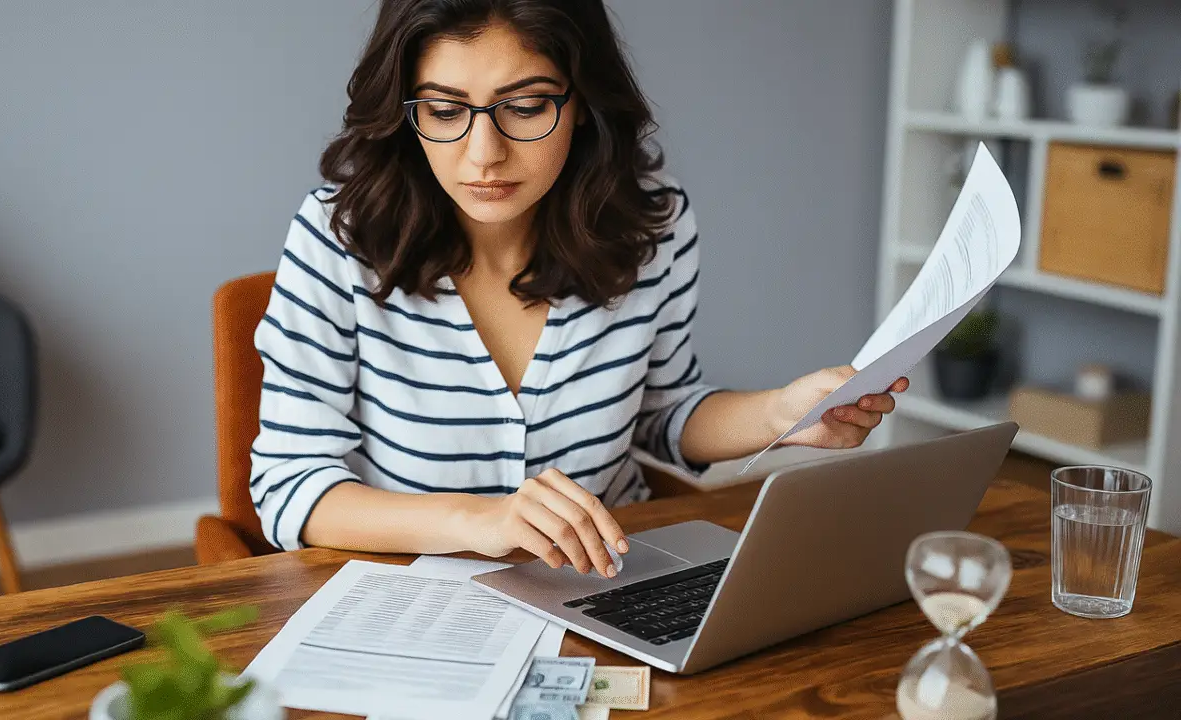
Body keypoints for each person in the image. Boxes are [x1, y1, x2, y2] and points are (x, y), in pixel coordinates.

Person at [248, 0, 907, 578]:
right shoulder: (339, 236)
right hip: (419, 597)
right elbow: (289, 482)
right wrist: (479, 522)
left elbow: (660, 412)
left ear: (584, 101)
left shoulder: (651, 224)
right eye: (444, 111)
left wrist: (782, 416)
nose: (483, 153)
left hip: (609, 581)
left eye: (526, 106)